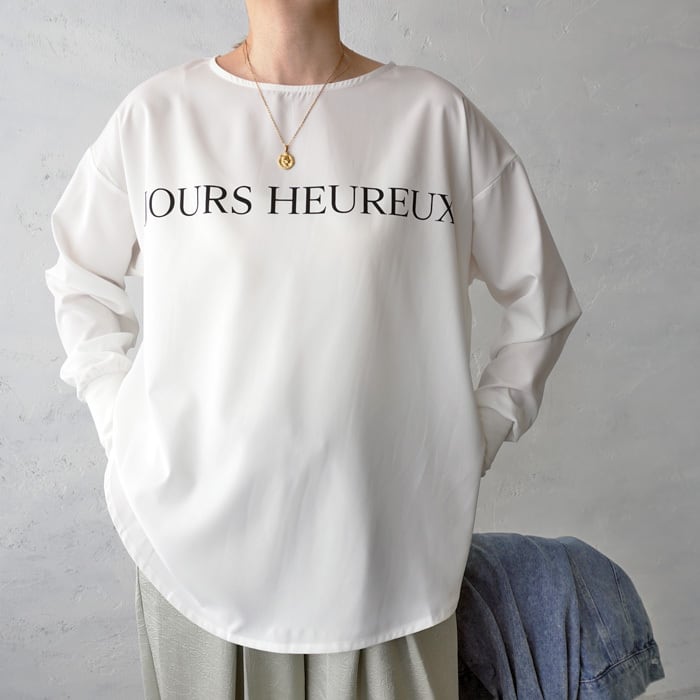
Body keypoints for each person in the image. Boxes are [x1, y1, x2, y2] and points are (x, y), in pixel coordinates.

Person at [44, 0, 583, 698]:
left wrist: (471, 433)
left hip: (387, 541)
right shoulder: (157, 118)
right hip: (193, 543)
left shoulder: (434, 119)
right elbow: (79, 277)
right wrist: (121, 424)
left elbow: (543, 302)